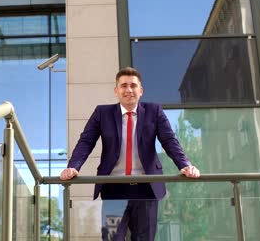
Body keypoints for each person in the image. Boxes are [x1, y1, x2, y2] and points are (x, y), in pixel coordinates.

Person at [60, 67, 200, 241]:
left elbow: (169, 141)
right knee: (111, 238)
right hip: (113, 189)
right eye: (123, 85)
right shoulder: (102, 113)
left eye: (133, 85)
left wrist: (185, 164)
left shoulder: (154, 111)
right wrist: (73, 166)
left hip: (146, 189)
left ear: (140, 91)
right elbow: (86, 141)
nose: (128, 90)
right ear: (116, 90)